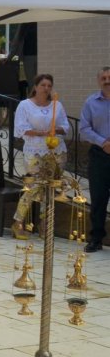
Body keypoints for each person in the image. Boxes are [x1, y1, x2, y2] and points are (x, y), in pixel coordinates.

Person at [79, 66, 110, 253]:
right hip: (99, 155)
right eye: (104, 78)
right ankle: (96, 239)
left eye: (109, 77)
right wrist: (103, 142)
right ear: (99, 80)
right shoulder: (91, 102)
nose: (107, 80)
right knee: (98, 199)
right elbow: (84, 129)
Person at [13, 73, 68, 164]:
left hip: (56, 150)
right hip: (34, 152)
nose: (46, 88)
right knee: (36, 178)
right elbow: (21, 128)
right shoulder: (24, 105)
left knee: (55, 178)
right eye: (43, 85)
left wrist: (56, 129)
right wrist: (43, 133)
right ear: (35, 87)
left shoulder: (57, 105)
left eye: (49, 86)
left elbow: (65, 126)